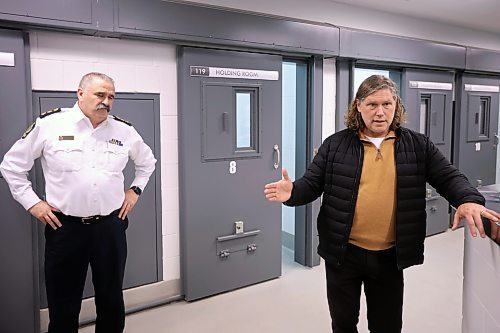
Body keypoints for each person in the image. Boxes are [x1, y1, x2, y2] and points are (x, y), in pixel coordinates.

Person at [264, 75, 500, 333]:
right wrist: (293, 192)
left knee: (386, 326)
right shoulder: (336, 145)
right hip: (343, 255)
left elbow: (448, 177)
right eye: (372, 104)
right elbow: (311, 185)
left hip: (389, 257)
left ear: (396, 105)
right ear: (358, 106)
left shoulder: (417, 145)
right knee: (343, 323)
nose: (380, 112)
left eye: (387, 104)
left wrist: (468, 199)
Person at [0, 72, 156, 333]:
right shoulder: (51, 125)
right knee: (63, 303)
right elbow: (11, 166)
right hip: (66, 228)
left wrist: (134, 190)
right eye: (100, 94)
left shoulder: (124, 130)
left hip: (110, 226)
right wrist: (33, 204)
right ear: (80, 93)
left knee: (111, 298)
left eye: (111, 97)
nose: (106, 101)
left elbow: (147, 162)